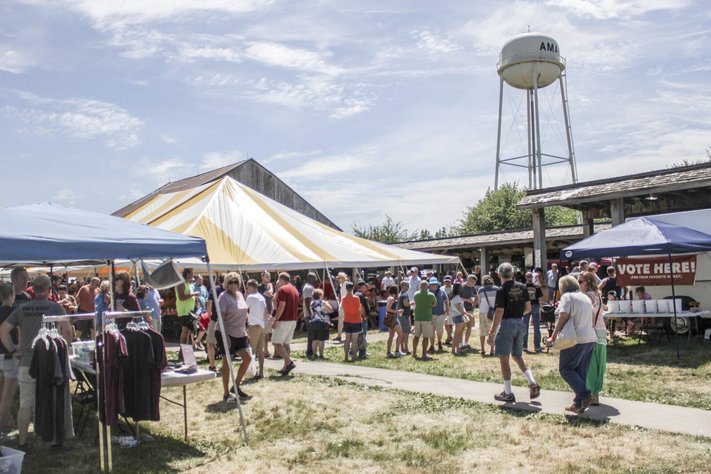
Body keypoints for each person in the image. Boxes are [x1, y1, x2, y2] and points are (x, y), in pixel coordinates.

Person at [0, 275, 71, 448]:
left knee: (25, 403)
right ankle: (55, 441)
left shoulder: (22, 308)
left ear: (34, 289)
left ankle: (22, 442)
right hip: (51, 361)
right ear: (48, 290)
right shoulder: (56, 307)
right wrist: (64, 347)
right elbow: (68, 331)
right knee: (53, 399)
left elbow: (3, 329)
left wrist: (12, 349)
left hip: (27, 361)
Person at [487, 263, 541, 403]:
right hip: (520, 323)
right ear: (513, 274)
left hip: (507, 324)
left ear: (499, 275)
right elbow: (528, 308)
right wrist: (517, 314)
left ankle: (508, 392)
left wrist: (492, 332)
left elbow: (499, 312)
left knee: (504, 358)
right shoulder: (522, 287)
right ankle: (532, 382)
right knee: (517, 356)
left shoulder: (501, 289)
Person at [545, 275, 597, 413]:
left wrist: (553, 336)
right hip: (590, 337)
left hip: (575, 338)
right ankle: (578, 404)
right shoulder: (585, 297)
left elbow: (563, 316)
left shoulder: (567, 297)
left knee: (566, 369)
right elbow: (592, 317)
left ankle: (585, 394)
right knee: (581, 371)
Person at [216, 273, 251, 401]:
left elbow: (244, 314)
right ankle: (226, 394)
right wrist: (226, 336)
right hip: (226, 332)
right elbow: (221, 318)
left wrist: (246, 331)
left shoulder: (240, 295)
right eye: (230, 282)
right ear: (226, 283)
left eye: (235, 282)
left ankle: (235, 386)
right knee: (227, 363)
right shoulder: (223, 297)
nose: (233, 285)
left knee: (247, 358)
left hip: (240, 332)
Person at [579, 272, 607, 406]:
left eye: (580, 282)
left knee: (589, 364)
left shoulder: (587, 297)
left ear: (587, 282)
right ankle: (595, 394)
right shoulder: (597, 295)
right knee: (597, 364)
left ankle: (590, 395)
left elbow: (587, 315)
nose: (578, 284)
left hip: (591, 332)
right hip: (601, 331)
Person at [0, 282, 18, 433]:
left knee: (3, 396)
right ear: (11, 294)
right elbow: (4, 332)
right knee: (7, 397)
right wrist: (13, 349)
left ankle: (7, 421)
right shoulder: (13, 312)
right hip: (7, 356)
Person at [272, 272, 299, 375]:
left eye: (278, 280)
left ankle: (288, 362)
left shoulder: (283, 289)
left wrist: (276, 319)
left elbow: (282, 305)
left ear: (281, 279)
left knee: (276, 342)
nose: (277, 282)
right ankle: (285, 367)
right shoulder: (294, 289)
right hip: (293, 320)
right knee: (286, 343)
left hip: (284, 320)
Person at [245, 279, 268, 379]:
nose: (246, 289)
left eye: (247, 287)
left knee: (251, 350)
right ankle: (261, 372)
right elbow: (266, 312)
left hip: (254, 325)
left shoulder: (250, 297)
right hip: (261, 325)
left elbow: (244, 310)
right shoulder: (261, 297)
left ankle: (251, 372)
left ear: (251, 287)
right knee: (260, 351)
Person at [175, 268, 199, 350]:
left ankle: (184, 352)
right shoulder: (181, 283)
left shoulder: (188, 283)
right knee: (185, 332)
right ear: (188, 274)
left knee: (188, 332)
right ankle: (182, 352)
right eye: (192, 273)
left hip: (189, 311)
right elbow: (181, 297)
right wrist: (193, 294)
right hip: (184, 311)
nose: (193, 275)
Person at [412, 280, 436, 360]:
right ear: (427, 286)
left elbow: (415, 302)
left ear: (420, 286)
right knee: (425, 337)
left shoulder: (416, 294)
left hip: (417, 317)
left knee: (416, 336)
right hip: (427, 318)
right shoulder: (431, 295)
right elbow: (434, 304)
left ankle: (414, 353)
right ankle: (424, 354)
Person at [476, 275, 498, 356]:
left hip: (483, 311)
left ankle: (482, 349)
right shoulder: (496, 288)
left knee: (482, 331)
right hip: (493, 312)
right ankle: (492, 350)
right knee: (492, 331)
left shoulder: (481, 289)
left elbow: (479, 302)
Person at [340, 282, 363, 362]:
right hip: (356, 320)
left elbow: (343, 308)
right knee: (354, 340)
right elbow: (359, 309)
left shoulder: (343, 298)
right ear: (353, 288)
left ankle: (346, 356)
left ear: (346, 289)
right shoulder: (356, 298)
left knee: (347, 339)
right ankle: (354, 356)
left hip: (347, 320)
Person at [523, 272, 544, 354]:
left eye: (529, 276)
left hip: (526, 306)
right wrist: (541, 306)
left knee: (525, 326)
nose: (529, 277)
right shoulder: (536, 286)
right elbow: (540, 298)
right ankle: (537, 346)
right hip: (535, 306)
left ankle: (524, 346)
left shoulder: (523, 287)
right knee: (536, 327)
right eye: (529, 276)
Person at [308, 289, 332, 359]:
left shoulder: (311, 303)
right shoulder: (322, 302)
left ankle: (314, 354)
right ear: (320, 295)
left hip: (312, 322)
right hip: (321, 322)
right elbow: (331, 310)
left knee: (314, 339)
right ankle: (321, 355)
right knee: (321, 339)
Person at [428, 278, 449, 354]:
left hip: (440, 314)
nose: (433, 286)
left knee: (440, 330)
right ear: (429, 285)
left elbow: (446, 301)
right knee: (431, 331)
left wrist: (447, 310)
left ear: (437, 285)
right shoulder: (427, 292)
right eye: (432, 285)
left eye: (434, 284)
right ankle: (432, 345)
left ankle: (439, 341)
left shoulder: (442, 292)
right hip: (430, 314)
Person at [449, 283, 470, 356]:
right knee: (457, 334)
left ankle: (457, 349)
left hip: (457, 316)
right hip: (458, 316)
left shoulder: (454, 297)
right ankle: (453, 350)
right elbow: (459, 308)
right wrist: (466, 314)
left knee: (459, 334)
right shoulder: (457, 297)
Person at [258, 271, 275, 359]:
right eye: (266, 277)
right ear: (262, 277)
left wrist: (271, 286)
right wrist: (271, 287)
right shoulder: (260, 286)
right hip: (263, 312)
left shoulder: (269, 286)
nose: (268, 278)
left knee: (268, 332)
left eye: (269, 276)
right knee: (263, 332)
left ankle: (266, 349)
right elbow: (269, 294)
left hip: (269, 310)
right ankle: (262, 350)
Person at [384, 285, 404, 358]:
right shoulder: (392, 299)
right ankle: (397, 351)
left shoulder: (389, 298)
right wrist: (397, 311)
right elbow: (388, 309)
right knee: (400, 334)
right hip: (392, 318)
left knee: (391, 336)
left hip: (389, 318)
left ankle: (388, 352)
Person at [460, 274, 478, 350]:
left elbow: (476, 296)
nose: (473, 284)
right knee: (461, 327)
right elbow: (457, 297)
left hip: (470, 309)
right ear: (468, 280)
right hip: (462, 309)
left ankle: (466, 343)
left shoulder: (473, 288)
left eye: (474, 282)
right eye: (472, 282)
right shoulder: (462, 287)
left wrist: (474, 303)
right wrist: (467, 300)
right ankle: (460, 343)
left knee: (469, 327)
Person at [354, 281, 370, 358]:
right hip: (361, 318)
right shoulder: (360, 295)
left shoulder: (357, 294)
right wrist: (364, 317)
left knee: (358, 336)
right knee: (362, 336)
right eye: (364, 286)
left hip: (358, 318)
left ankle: (354, 351)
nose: (366, 288)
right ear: (360, 287)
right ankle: (362, 353)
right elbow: (361, 307)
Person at [302, 273, 316, 358]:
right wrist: (311, 314)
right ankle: (309, 351)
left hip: (309, 313)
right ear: (310, 278)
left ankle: (311, 350)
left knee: (312, 333)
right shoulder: (308, 288)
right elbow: (307, 301)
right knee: (311, 334)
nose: (315, 279)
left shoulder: (309, 287)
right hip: (309, 314)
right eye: (314, 278)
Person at [333, 272, 349, 344]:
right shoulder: (341, 285)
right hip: (342, 303)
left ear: (342, 278)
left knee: (345, 320)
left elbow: (349, 294)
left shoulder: (346, 284)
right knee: (341, 319)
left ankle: (347, 335)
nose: (337, 279)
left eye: (339, 278)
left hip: (346, 304)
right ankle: (339, 335)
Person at [397, 281, 412, 355]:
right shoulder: (405, 294)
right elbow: (406, 304)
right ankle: (405, 349)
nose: (408, 287)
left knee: (402, 333)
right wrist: (412, 303)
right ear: (403, 285)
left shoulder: (400, 294)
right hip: (404, 316)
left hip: (400, 315)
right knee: (406, 333)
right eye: (407, 285)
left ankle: (402, 348)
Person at [441, 275, 454, 346]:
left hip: (452, 308)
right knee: (446, 324)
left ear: (451, 281)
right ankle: (449, 336)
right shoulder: (441, 289)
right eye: (446, 281)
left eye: (448, 281)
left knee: (450, 324)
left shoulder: (453, 288)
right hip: (444, 308)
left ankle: (449, 337)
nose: (447, 282)